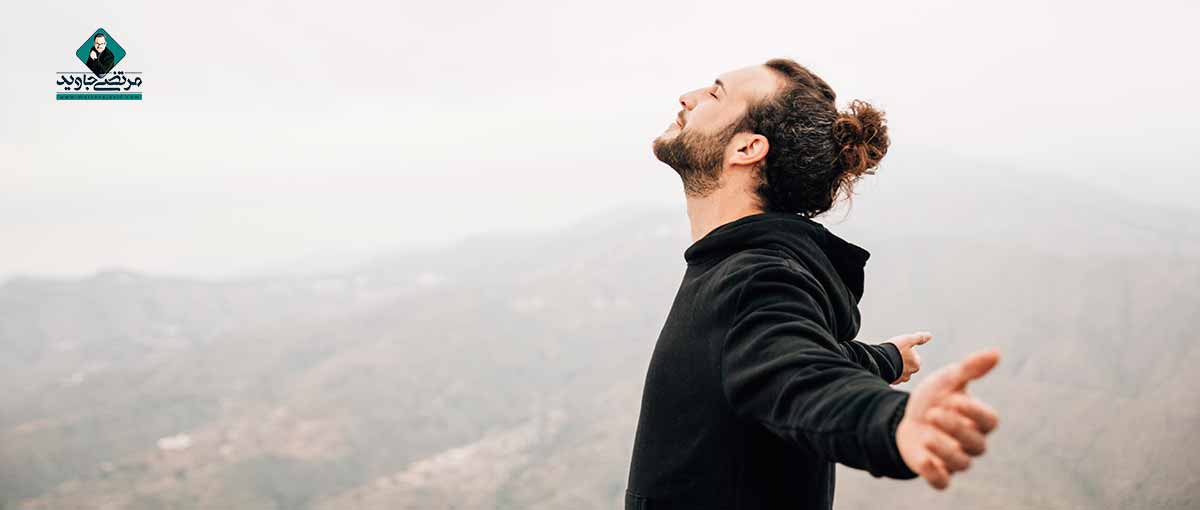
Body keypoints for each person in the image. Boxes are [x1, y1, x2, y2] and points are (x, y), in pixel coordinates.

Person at [625, 58, 1001, 510]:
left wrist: (892, 422)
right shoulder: (748, 268)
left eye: (715, 93)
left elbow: (800, 378)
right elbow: (777, 353)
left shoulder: (753, 279)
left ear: (747, 148)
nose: (688, 98)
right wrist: (883, 359)